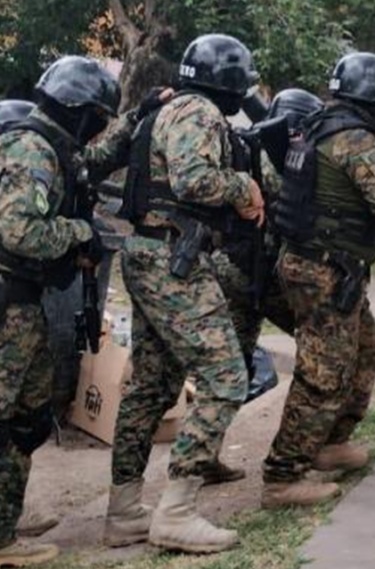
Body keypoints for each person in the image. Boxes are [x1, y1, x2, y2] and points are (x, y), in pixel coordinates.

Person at [107, 34, 265, 553]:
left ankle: (125, 510)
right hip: (171, 261)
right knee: (224, 377)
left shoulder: (173, 108)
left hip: (148, 254)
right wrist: (245, 190)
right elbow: (194, 180)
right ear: (232, 80)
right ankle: (175, 513)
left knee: (151, 386)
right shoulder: (198, 112)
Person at [1, 56, 139, 567]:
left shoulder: (51, 146)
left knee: (28, 415)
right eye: (98, 116)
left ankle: (4, 518)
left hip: (23, 304)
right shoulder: (32, 148)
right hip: (7, 303)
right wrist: (81, 234)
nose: (98, 125)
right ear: (79, 110)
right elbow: (17, 232)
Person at [264, 52, 375, 507]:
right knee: (323, 374)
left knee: (365, 347)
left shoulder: (315, 124)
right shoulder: (353, 138)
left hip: (317, 264)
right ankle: (282, 475)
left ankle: (329, 443)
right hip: (323, 269)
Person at [212, 88, 324, 391]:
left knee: (230, 366)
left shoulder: (246, 146)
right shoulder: (283, 162)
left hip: (230, 264)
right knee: (323, 340)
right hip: (257, 271)